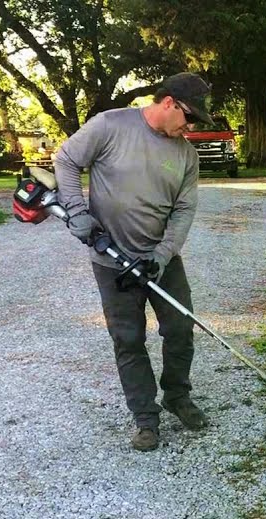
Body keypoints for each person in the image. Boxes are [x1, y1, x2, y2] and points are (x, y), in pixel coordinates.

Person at [53, 72, 212, 452]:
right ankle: (146, 418)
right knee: (128, 339)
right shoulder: (110, 125)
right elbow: (66, 160)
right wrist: (77, 212)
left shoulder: (186, 154)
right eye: (188, 117)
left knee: (179, 327)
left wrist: (161, 255)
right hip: (111, 260)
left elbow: (185, 209)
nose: (189, 127)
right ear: (169, 102)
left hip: (160, 260)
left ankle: (177, 395)